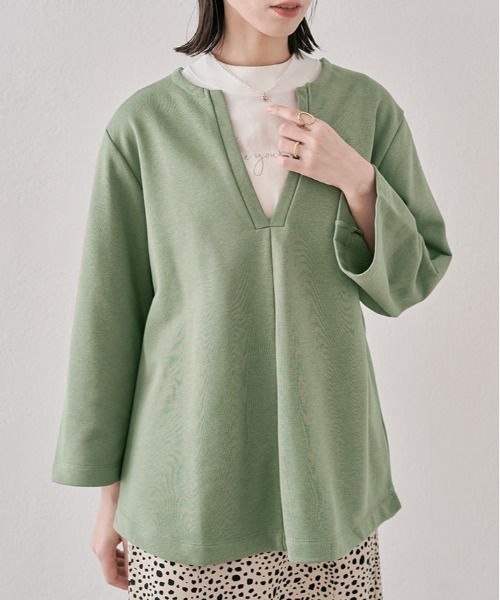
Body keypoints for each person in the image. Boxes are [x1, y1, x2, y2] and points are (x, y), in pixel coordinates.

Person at [51, 1, 453, 598]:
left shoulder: (366, 108)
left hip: (328, 497)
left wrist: (359, 182)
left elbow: (412, 279)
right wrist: (109, 502)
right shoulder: (145, 125)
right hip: (184, 500)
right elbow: (109, 322)